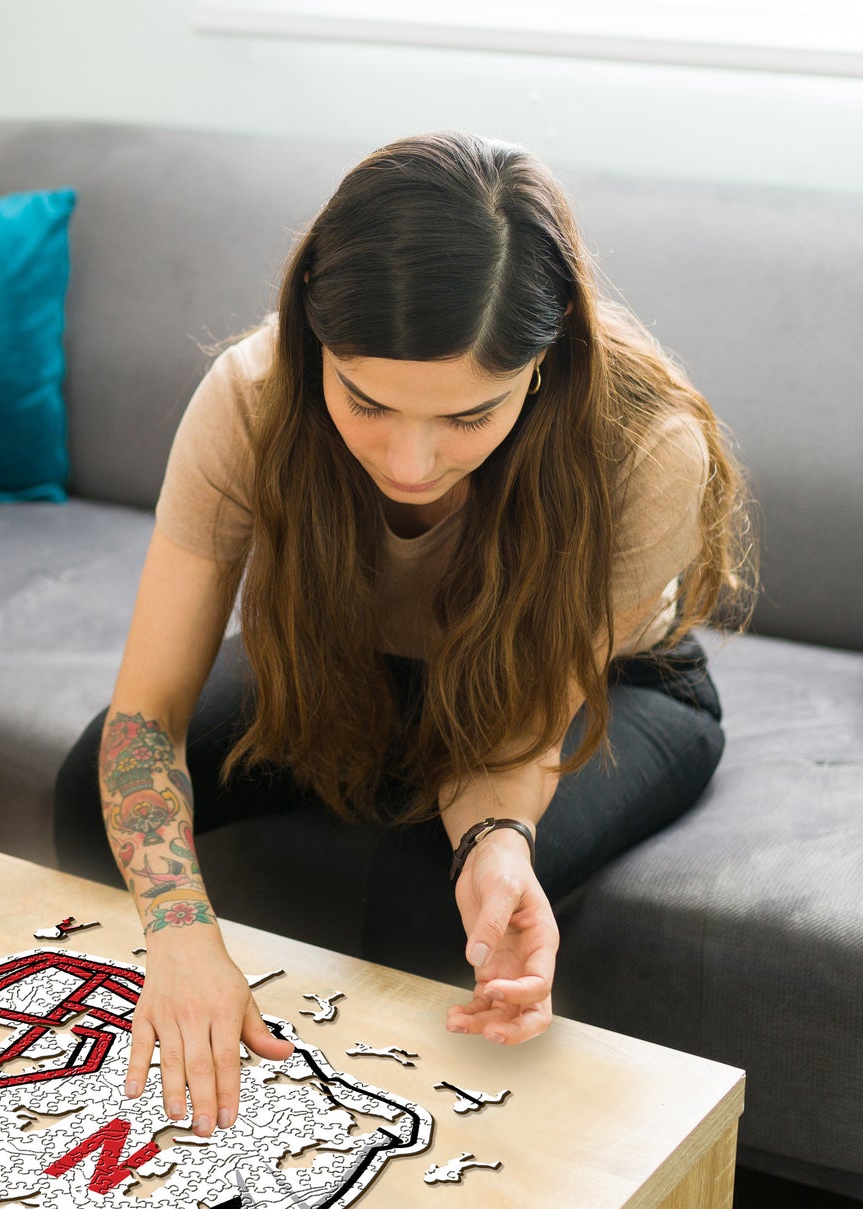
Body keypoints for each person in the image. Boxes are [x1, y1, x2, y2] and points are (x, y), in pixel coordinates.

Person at [53, 131, 754, 1145]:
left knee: (433, 889)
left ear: (547, 350)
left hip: (615, 685)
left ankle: (386, 1170)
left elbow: (512, 729)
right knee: (92, 787)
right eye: (365, 402)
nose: (410, 462)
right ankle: (163, 1060)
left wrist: (494, 842)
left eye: (467, 417)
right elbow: (142, 716)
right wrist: (177, 931)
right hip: (355, 665)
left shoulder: (643, 446)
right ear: (311, 337)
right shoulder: (252, 395)